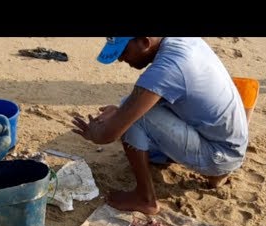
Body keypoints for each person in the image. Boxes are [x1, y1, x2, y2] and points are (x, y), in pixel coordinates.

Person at [72, 37, 249, 215]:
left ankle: (145, 198)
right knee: (130, 108)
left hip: (218, 155)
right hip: (229, 144)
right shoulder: (181, 42)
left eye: (124, 52)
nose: (120, 59)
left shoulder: (168, 68)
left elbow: (108, 135)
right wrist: (118, 112)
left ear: (144, 42)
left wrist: (94, 132)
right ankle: (216, 175)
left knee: (135, 117)